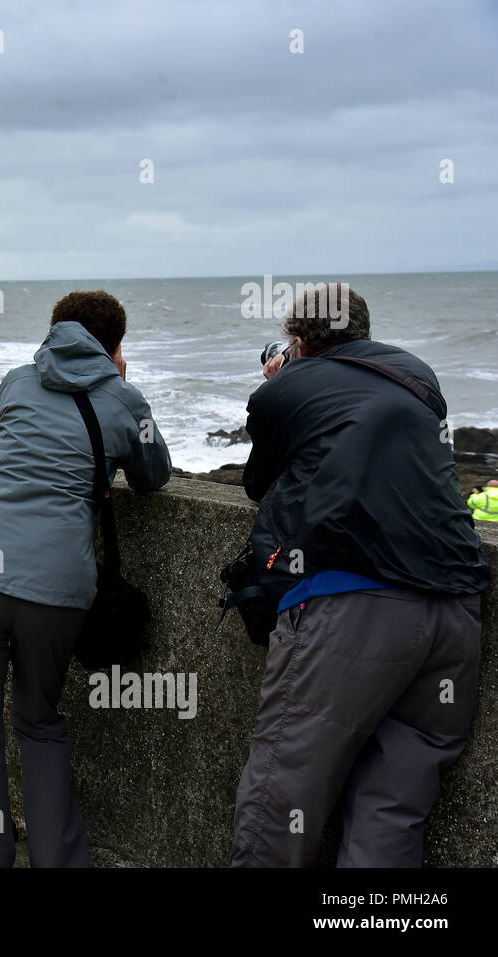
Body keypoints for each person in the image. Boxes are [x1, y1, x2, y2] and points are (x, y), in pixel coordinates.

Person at [232, 283, 490, 867]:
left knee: (285, 787)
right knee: (394, 802)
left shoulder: (288, 386)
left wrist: (281, 384)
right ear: (363, 333)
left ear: (298, 342)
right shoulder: (417, 377)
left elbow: (259, 483)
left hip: (354, 602)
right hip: (456, 607)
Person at [0, 290, 171, 867]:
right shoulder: (123, 397)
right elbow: (155, 475)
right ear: (115, 344)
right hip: (55, 587)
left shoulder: (17, 380)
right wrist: (120, 385)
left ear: (55, 331)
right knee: (39, 724)